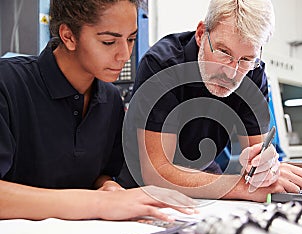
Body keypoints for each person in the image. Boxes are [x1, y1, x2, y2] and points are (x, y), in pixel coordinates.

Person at [0, 0, 197, 221]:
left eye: (131, 39)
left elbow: (101, 173)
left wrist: (109, 187)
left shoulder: (110, 99)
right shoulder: (8, 84)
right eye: (108, 41)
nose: (124, 54)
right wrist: (99, 203)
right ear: (69, 36)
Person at [123, 0, 302, 202]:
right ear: (201, 35)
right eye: (224, 52)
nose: (232, 73)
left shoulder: (254, 73)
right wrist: (242, 187)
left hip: (205, 180)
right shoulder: (162, 65)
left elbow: (260, 153)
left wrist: (265, 168)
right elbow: (157, 172)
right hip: (142, 190)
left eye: (247, 59)